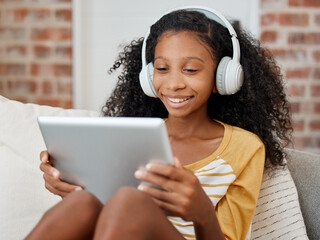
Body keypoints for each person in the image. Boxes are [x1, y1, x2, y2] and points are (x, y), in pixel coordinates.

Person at [26, 6, 292, 240]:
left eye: (190, 70)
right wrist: (68, 184)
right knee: (84, 202)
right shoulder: (130, 137)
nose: (174, 83)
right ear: (148, 76)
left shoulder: (245, 147)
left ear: (222, 78)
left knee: (131, 202)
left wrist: (202, 213)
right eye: (162, 69)